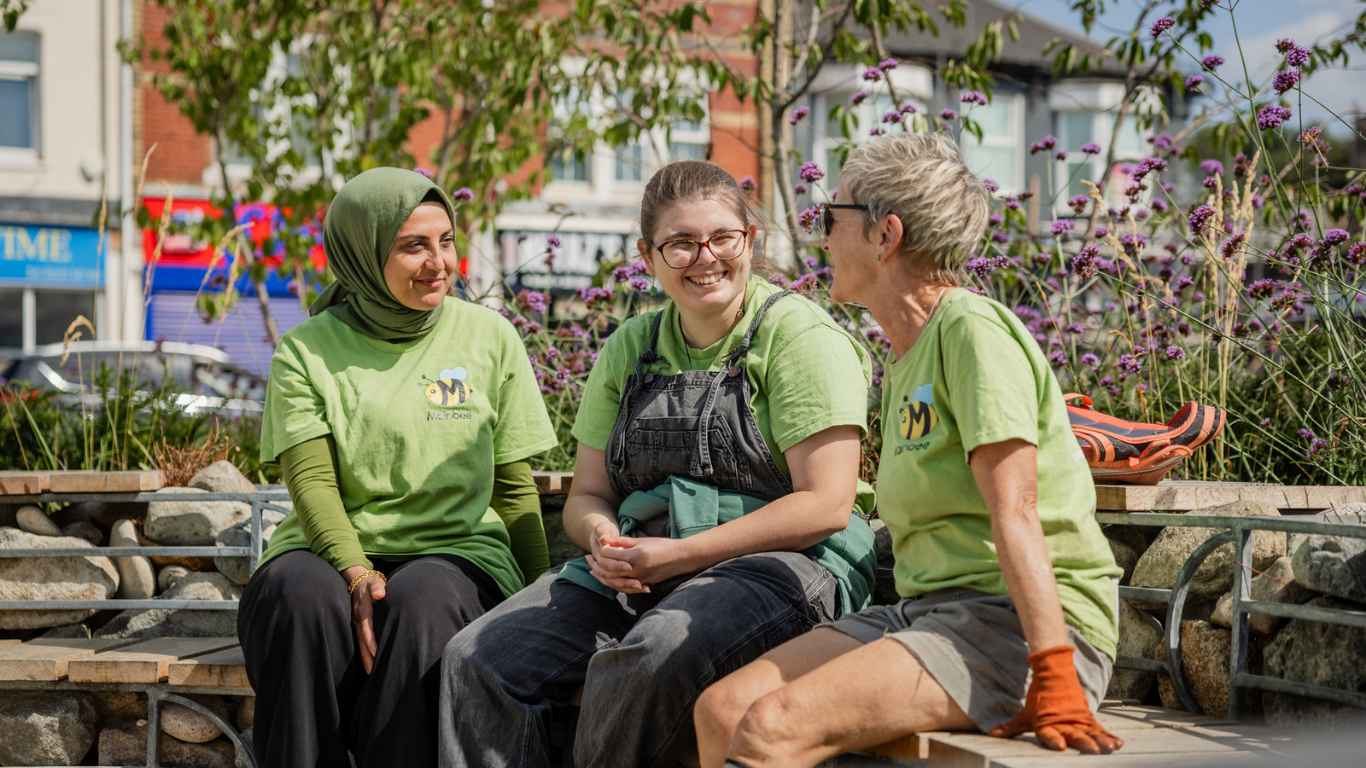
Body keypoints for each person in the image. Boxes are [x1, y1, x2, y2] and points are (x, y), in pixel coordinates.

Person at [693, 133, 1125, 767]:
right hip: (929, 617)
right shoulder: (905, 356)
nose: (820, 238)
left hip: (1020, 629)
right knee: (722, 711)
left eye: (829, 218)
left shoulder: (971, 331)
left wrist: (1054, 667)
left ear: (884, 234)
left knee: (771, 727)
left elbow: (1019, 508)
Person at [438, 160, 879, 768]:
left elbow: (825, 504)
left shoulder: (798, 337)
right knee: (478, 659)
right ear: (649, 257)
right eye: (680, 243)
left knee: (657, 648)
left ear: (750, 240)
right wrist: (604, 538)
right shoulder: (630, 347)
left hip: (787, 565)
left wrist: (683, 555)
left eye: (723, 237)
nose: (706, 257)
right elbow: (588, 494)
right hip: (648, 561)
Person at [238, 168, 558, 768]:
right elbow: (311, 481)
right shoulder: (306, 350)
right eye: (413, 245)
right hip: (331, 550)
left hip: (458, 555)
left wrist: (545, 601)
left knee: (422, 603)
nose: (438, 262)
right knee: (300, 598)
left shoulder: (490, 337)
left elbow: (516, 490)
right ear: (362, 255)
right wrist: (355, 571)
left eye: (445, 241)